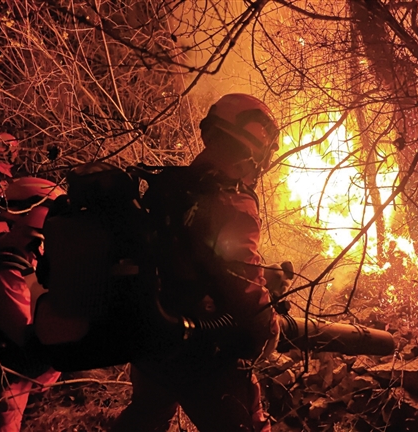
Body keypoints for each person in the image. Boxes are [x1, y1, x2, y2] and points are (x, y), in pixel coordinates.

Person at [112, 93, 283, 432]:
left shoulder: (169, 185)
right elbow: (244, 287)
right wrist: (269, 329)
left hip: (152, 340)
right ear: (257, 145)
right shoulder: (233, 202)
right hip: (205, 356)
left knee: (146, 417)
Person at [0, 177, 64, 432]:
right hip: (4, 377)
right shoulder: (6, 273)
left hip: (14, 369)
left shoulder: (20, 250)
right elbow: (35, 341)